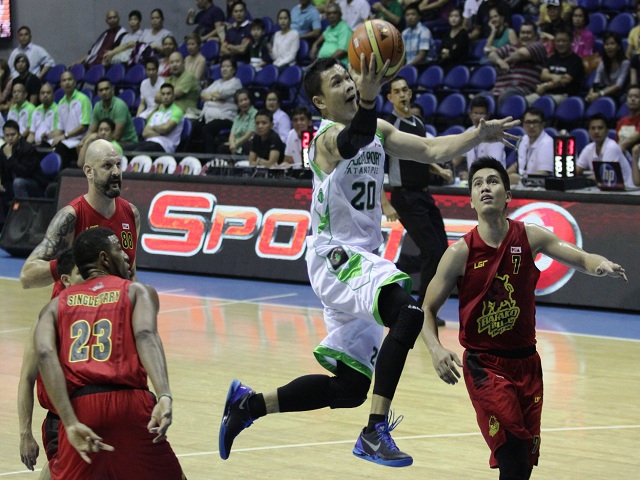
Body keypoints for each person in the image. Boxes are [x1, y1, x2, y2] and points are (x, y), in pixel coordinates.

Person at [218, 56, 518, 467]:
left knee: (350, 388)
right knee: (408, 312)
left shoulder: (377, 128)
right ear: (320, 102)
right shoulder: (323, 141)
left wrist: (477, 135)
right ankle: (374, 432)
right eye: (336, 82)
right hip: (335, 255)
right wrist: (370, 98)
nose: (347, 84)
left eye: (347, 77)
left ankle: (248, 405)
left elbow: (430, 149)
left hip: (362, 260)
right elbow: (351, 140)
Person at [420, 156, 627, 480]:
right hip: (485, 365)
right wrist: (435, 349)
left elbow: (582, 257)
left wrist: (600, 265)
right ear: (471, 200)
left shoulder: (530, 236)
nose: (485, 188)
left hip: (528, 364)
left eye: (492, 181)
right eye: (477, 184)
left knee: (523, 465)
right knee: (513, 453)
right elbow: (427, 309)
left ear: (507, 195)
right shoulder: (460, 252)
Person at [34, 227, 184, 479]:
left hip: (81, 407)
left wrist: (69, 421)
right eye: (118, 249)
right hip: (130, 404)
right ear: (104, 258)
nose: (126, 255)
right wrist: (164, 395)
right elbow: (146, 335)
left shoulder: (54, 306)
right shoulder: (137, 291)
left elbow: (45, 355)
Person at [19, 138, 140, 291]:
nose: (116, 172)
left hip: (109, 305)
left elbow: (131, 273)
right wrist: (73, 260)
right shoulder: (70, 217)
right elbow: (26, 277)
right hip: (73, 304)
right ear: (89, 171)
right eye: (107, 166)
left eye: (118, 165)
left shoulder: (131, 214)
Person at [385, 76, 452, 327]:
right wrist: (384, 203)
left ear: (410, 93)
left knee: (441, 251)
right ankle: (424, 310)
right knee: (432, 251)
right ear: (390, 98)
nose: (402, 95)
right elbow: (376, 166)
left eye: (405, 90)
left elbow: (422, 154)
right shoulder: (388, 126)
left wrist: (438, 169)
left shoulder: (418, 123)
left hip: (423, 194)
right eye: (397, 92)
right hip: (404, 197)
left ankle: (398, 267)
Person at [17, 248, 83, 479]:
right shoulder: (48, 320)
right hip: (61, 420)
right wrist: (25, 433)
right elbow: (26, 378)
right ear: (66, 280)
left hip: (98, 413)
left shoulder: (107, 309)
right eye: (82, 273)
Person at [488, 21, 547, 105]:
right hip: (498, 90)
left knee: (506, 96)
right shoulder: (510, 47)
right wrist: (499, 62)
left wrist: (506, 61)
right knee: (481, 99)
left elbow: (522, 53)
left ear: (535, 35)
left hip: (522, 89)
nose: (525, 35)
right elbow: (492, 54)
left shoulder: (539, 46)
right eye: (523, 33)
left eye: (528, 33)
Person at [195, 55, 242, 154]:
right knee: (194, 127)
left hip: (226, 117)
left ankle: (210, 158)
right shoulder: (217, 82)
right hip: (207, 117)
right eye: (222, 66)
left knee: (207, 129)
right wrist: (214, 98)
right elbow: (203, 94)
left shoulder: (236, 83)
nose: (224, 69)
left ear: (233, 69)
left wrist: (212, 96)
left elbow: (222, 94)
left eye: (227, 66)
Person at [526, 27, 584, 106]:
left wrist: (545, 86)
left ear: (571, 42)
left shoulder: (576, 60)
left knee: (543, 104)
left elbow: (565, 81)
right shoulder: (552, 58)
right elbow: (543, 75)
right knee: (524, 101)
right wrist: (554, 77)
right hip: (545, 94)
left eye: (564, 41)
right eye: (558, 41)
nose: (560, 44)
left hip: (564, 96)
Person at [453, 95, 506, 180]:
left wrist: (471, 175)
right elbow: (457, 159)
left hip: (493, 180)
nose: (478, 118)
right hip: (474, 181)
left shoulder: (495, 136)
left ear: (488, 115)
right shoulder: (468, 133)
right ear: (470, 114)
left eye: (481, 114)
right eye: (475, 113)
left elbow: (493, 167)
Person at [576, 113, 635, 188]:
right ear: (589, 131)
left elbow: (602, 176)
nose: (596, 131)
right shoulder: (588, 148)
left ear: (607, 131)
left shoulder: (612, 147)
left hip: (628, 189)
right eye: (593, 128)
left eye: (600, 128)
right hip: (606, 188)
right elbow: (577, 170)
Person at [50, 71, 91, 170]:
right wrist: (48, 137)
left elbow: (84, 126)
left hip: (81, 141)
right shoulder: (61, 103)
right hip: (68, 141)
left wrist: (65, 136)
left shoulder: (83, 99)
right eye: (64, 80)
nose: (67, 82)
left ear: (75, 82)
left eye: (69, 79)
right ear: (61, 85)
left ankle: (60, 177)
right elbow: (60, 129)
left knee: (60, 149)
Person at [0, 120, 47, 202]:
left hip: (33, 183)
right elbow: (1, 170)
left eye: (13, 134)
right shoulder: (3, 149)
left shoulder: (28, 149)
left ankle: (23, 209)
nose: (10, 138)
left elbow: (25, 173)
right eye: (7, 135)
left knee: (18, 182)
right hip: (11, 182)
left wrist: (10, 157)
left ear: (19, 135)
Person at [86, 78, 138, 149]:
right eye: (101, 90)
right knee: (85, 145)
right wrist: (84, 142)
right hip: (107, 140)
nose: (104, 92)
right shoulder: (97, 106)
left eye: (106, 89)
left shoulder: (119, 106)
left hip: (127, 142)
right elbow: (91, 131)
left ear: (112, 90)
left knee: (101, 148)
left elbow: (116, 136)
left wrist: (97, 140)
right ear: (98, 93)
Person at [134, 83, 185, 153]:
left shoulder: (177, 111)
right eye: (163, 94)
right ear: (160, 96)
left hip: (165, 146)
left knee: (137, 151)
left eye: (168, 94)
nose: (166, 97)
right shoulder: (157, 113)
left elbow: (165, 129)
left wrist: (153, 127)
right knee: (126, 149)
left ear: (173, 96)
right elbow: (145, 133)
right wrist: (161, 132)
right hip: (150, 142)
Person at [509, 107, 553, 184]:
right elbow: (518, 164)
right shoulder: (524, 139)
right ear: (523, 124)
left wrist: (520, 180)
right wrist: (502, 177)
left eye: (535, 122)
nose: (531, 126)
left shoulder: (547, 144)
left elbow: (544, 174)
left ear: (543, 124)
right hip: (524, 184)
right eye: (528, 122)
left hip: (539, 186)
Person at [586, 33, 630, 105]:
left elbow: (618, 85)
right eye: (606, 44)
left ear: (618, 46)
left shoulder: (625, 63)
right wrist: (591, 94)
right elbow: (596, 81)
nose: (609, 47)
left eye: (612, 44)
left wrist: (599, 94)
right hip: (602, 90)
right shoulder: (602, 63)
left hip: (617, 94)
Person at [402, 2, 437, 71]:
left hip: (424, 67)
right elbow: (402, 55)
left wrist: (406, 67)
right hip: (409, 67)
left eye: (413, 14)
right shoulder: (404, 33)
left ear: (419, 17)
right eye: (407, 15)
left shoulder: (424, 31)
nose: (410, 17)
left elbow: (421, 56)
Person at [222, 88, 257, 155]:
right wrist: (232, 144)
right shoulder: (237, 117)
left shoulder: (255, 114)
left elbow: (249, 134)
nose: (244, 102)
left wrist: (235, 144)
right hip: (235, 145)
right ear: (237, 104)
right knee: (222, 147)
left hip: (248, 143)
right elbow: (232, 134)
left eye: (245, 99)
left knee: (246, 145)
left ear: (250, 100)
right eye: (241, 101)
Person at [438, 7, 469, 72]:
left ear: (461, 18)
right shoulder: (446, 34)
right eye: (451, 16)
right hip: (445, 63)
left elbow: (460, 52)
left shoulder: (463, 34)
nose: (453, 19)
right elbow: (441, 49)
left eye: (456, 16)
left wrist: (449, 53)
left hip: (458, 64)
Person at [616, 85, 640, 155]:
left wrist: (619, 148)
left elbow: (635, 136)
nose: (633, 99)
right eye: (630, 96)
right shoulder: (622, 121)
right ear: (626, 101)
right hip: (622, 153)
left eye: (637, 97)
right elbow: (617, 141)